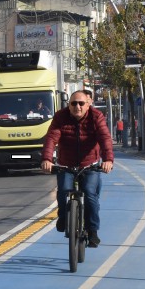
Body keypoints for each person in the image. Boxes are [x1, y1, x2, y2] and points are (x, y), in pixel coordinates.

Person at [41, 90, 114, 248]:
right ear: (69, 105)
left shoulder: (96, 117)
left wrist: (108, 160)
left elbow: (104, 138)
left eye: (81, 103)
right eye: (74, 103)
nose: (77, 107)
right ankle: (63, 216)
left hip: (90, 164)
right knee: (63, 190)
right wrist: (47, 159)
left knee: (89, 193)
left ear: (88, 105)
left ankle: (93, 231)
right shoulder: (61, 117)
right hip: (66, 163)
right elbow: (51, 138)